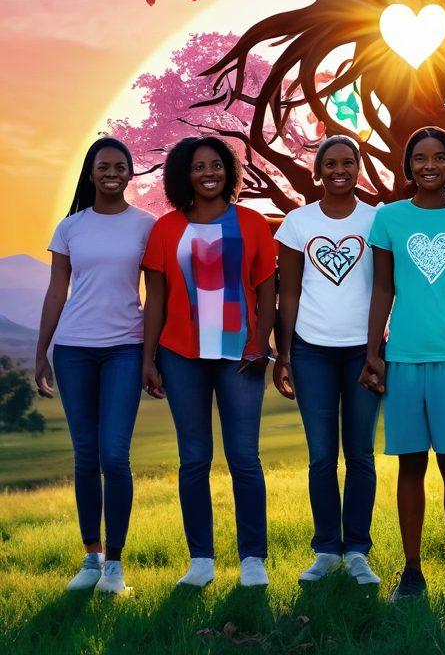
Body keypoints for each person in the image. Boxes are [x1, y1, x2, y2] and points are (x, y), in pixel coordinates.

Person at [141, 136, 276, 589]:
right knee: (194, 459)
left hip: (240, 355)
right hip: (181, 354)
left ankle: (253, 559)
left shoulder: (254, 223)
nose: (208, 173)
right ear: (185, 174)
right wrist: (149, 358)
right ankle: (201, 561)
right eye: (198, 167)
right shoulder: (165, 229)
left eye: (215, 165)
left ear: (228, 171)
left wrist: (261, 342)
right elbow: (154, 298)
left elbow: (266, 290)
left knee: (244, 458)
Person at [359, 128, 445, 602]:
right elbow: (382, 289)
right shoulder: (388, 218)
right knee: (410, 464)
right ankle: (411, 572)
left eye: (438, 158)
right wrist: (374, 351)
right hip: (404, 355)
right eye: (418, 158)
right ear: (407, 165)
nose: (428, 166)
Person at [34, 137, 154, 595]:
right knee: (86, 456)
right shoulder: (69, 228)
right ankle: (91, 556)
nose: (112, 172)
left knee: (114, 455)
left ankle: (116, 567)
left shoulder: (146, 226)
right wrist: (42, 350)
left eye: (120, 166)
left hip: (124, 347)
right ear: (91, 173)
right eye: (104, 166)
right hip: (73, 350)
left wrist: (151, 356)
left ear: (130, 172)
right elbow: (55, 292)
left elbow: (158, 294)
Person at [274, 135, 381, 587]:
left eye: (349, 163)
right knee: (322, 456)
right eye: (331, 164)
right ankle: (326, 551)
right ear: (317, 171)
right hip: (310, 350)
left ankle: (357, 551)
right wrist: (283, 354)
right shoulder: (297, 223)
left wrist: (377, 350)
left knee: (360, 454)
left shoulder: (378, 221)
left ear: (359, 168)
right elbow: (289, 292)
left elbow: (384, 289)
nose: (340, 170)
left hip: (364, 350)